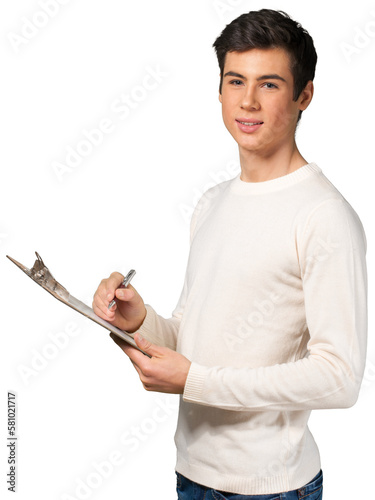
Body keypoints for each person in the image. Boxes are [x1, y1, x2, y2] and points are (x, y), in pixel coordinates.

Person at [93, 9, 367, 499]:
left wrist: (196, 380)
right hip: (191, 475)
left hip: (268, 489)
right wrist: (139, 322)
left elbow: (340, 378)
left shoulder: (324, 215)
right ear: (219, 89)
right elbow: (193, 338)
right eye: (235, 80)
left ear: (304, 94)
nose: (247, 101)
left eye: (269, 84)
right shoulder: (212, 202)